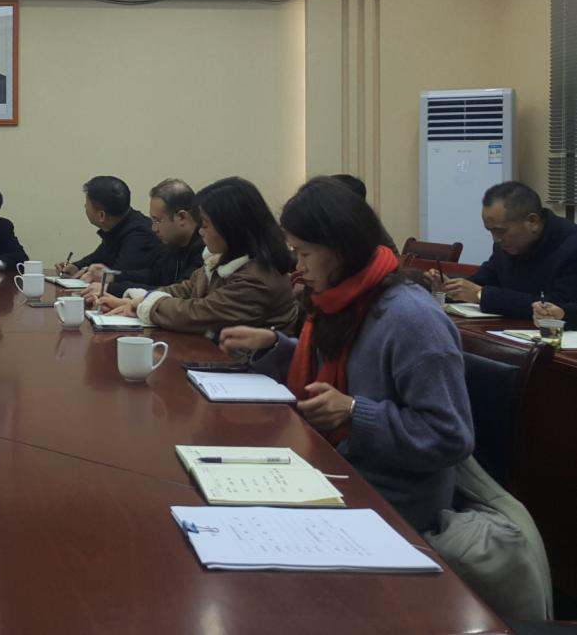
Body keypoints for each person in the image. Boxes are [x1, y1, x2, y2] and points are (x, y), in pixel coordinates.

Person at [220, 177, 473, 531]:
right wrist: (274, 347)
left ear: (341, 249)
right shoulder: (343, 300)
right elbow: (331, 371)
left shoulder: (412, 319)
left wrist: (354, 412)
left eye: (305, 254)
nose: (298, 267)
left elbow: (450, 437)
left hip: (391, 499)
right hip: (334, 466)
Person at [96, 177, 298, 333]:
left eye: (206, 225)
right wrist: (135, 301)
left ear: (231, 228)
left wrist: (145, 305)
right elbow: (186, 288)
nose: (201, 232)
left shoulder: (258, 277)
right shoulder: (220, 259)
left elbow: (200, 313)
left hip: (250, 370)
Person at [428, 180, 577, 320]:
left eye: (501, 231)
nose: (496, 239)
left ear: (532, 222)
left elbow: (558, 306)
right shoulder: (505, 245)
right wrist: (450, 288)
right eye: (491, 231)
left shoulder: (571, 246)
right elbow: (483, 281)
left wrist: (480, 295)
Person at [93, 179, 206, 300]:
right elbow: (153, 275)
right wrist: (113, 277)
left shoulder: (205, 251)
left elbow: (175, 294)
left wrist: (111, 288)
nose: (154, 228)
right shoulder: (172, 244)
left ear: (181, 217)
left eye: (157, 220)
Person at [55, 176, 161, 279]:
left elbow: (118, 276)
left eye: (87, 204)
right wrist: (76, 266)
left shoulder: (139, 235)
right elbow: (99, 257)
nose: (85, 207)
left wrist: (87, 273)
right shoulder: (117, 226)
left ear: (102, 215)